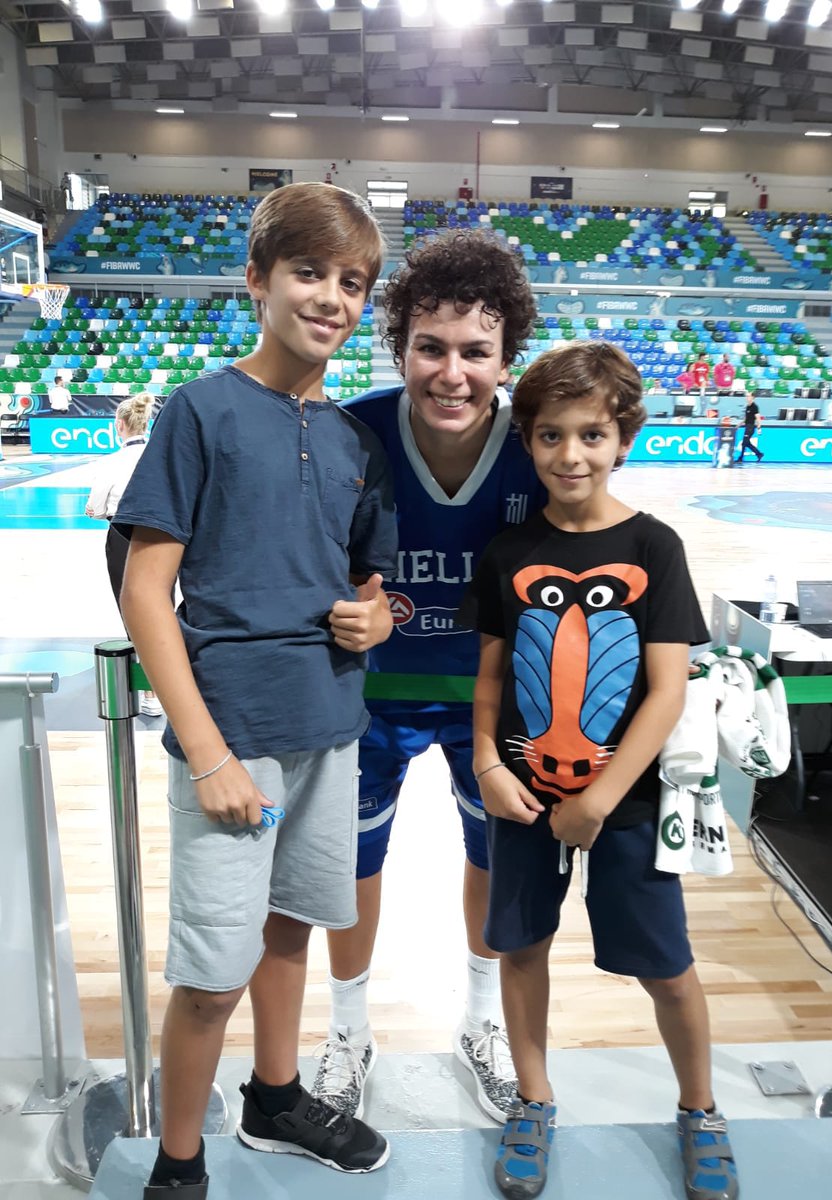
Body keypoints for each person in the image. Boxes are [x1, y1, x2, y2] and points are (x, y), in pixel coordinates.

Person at [113, 182, 399, 1199]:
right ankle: (178, 1164)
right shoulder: (202, 409)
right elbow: (148, 592)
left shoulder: (356, 441)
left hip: (331, 725)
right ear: (259, 279)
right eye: (309, 272)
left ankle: (276, 1097)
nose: (331, 296)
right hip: (235, 738)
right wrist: (208, 754)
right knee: (209, 973)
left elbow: (371, 583)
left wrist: (381, 617)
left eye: (352, 282)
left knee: (289, 928)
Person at [462, 340, 737, 1200]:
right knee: (520, 946)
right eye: (550, 436)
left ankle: (700, 1109)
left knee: (665, 964)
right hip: (521, 794)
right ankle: (534, 1099)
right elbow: (493, 678)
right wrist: (483, 763)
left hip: (624, 807)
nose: (570, 455)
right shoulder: (508, 550)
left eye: (590, 435)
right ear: (528, 442)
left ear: (624, 437)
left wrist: (599, 798)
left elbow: (666, 692)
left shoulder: (655, 546)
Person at [311, 230, 544, 1124]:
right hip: (368, 695)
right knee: (353, 862)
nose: (452, 372)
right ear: (401, 345)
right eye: (430, 348)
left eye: (476, 352)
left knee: (493, 855)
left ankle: (481, 1021)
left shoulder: (538, 442)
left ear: (506, 356)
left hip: (493, 699)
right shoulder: (351, 430)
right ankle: (347, 1032)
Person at [85, 391, 162, 717]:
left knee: (133, 611)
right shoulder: (160, 455)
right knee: (162, 608)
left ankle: (149, 692)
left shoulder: (111, 463)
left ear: (119, 425)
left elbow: (96, 507)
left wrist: (94, 511)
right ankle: (165, 685)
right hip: (161, 539)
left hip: (122, 536)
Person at [736, 392, 763, 463]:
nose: (747, 398)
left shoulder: (754, 407)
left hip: (751, 427)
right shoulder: (748, 406)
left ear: (752, 397)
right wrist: (740, 424)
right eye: (747, 396)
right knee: (746, 443)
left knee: (744, 443)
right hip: (747, 426)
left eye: (748, 396)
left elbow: (758, 417)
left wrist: (759, 426)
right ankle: (759, 454)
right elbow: (746, 418)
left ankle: (741, 458)